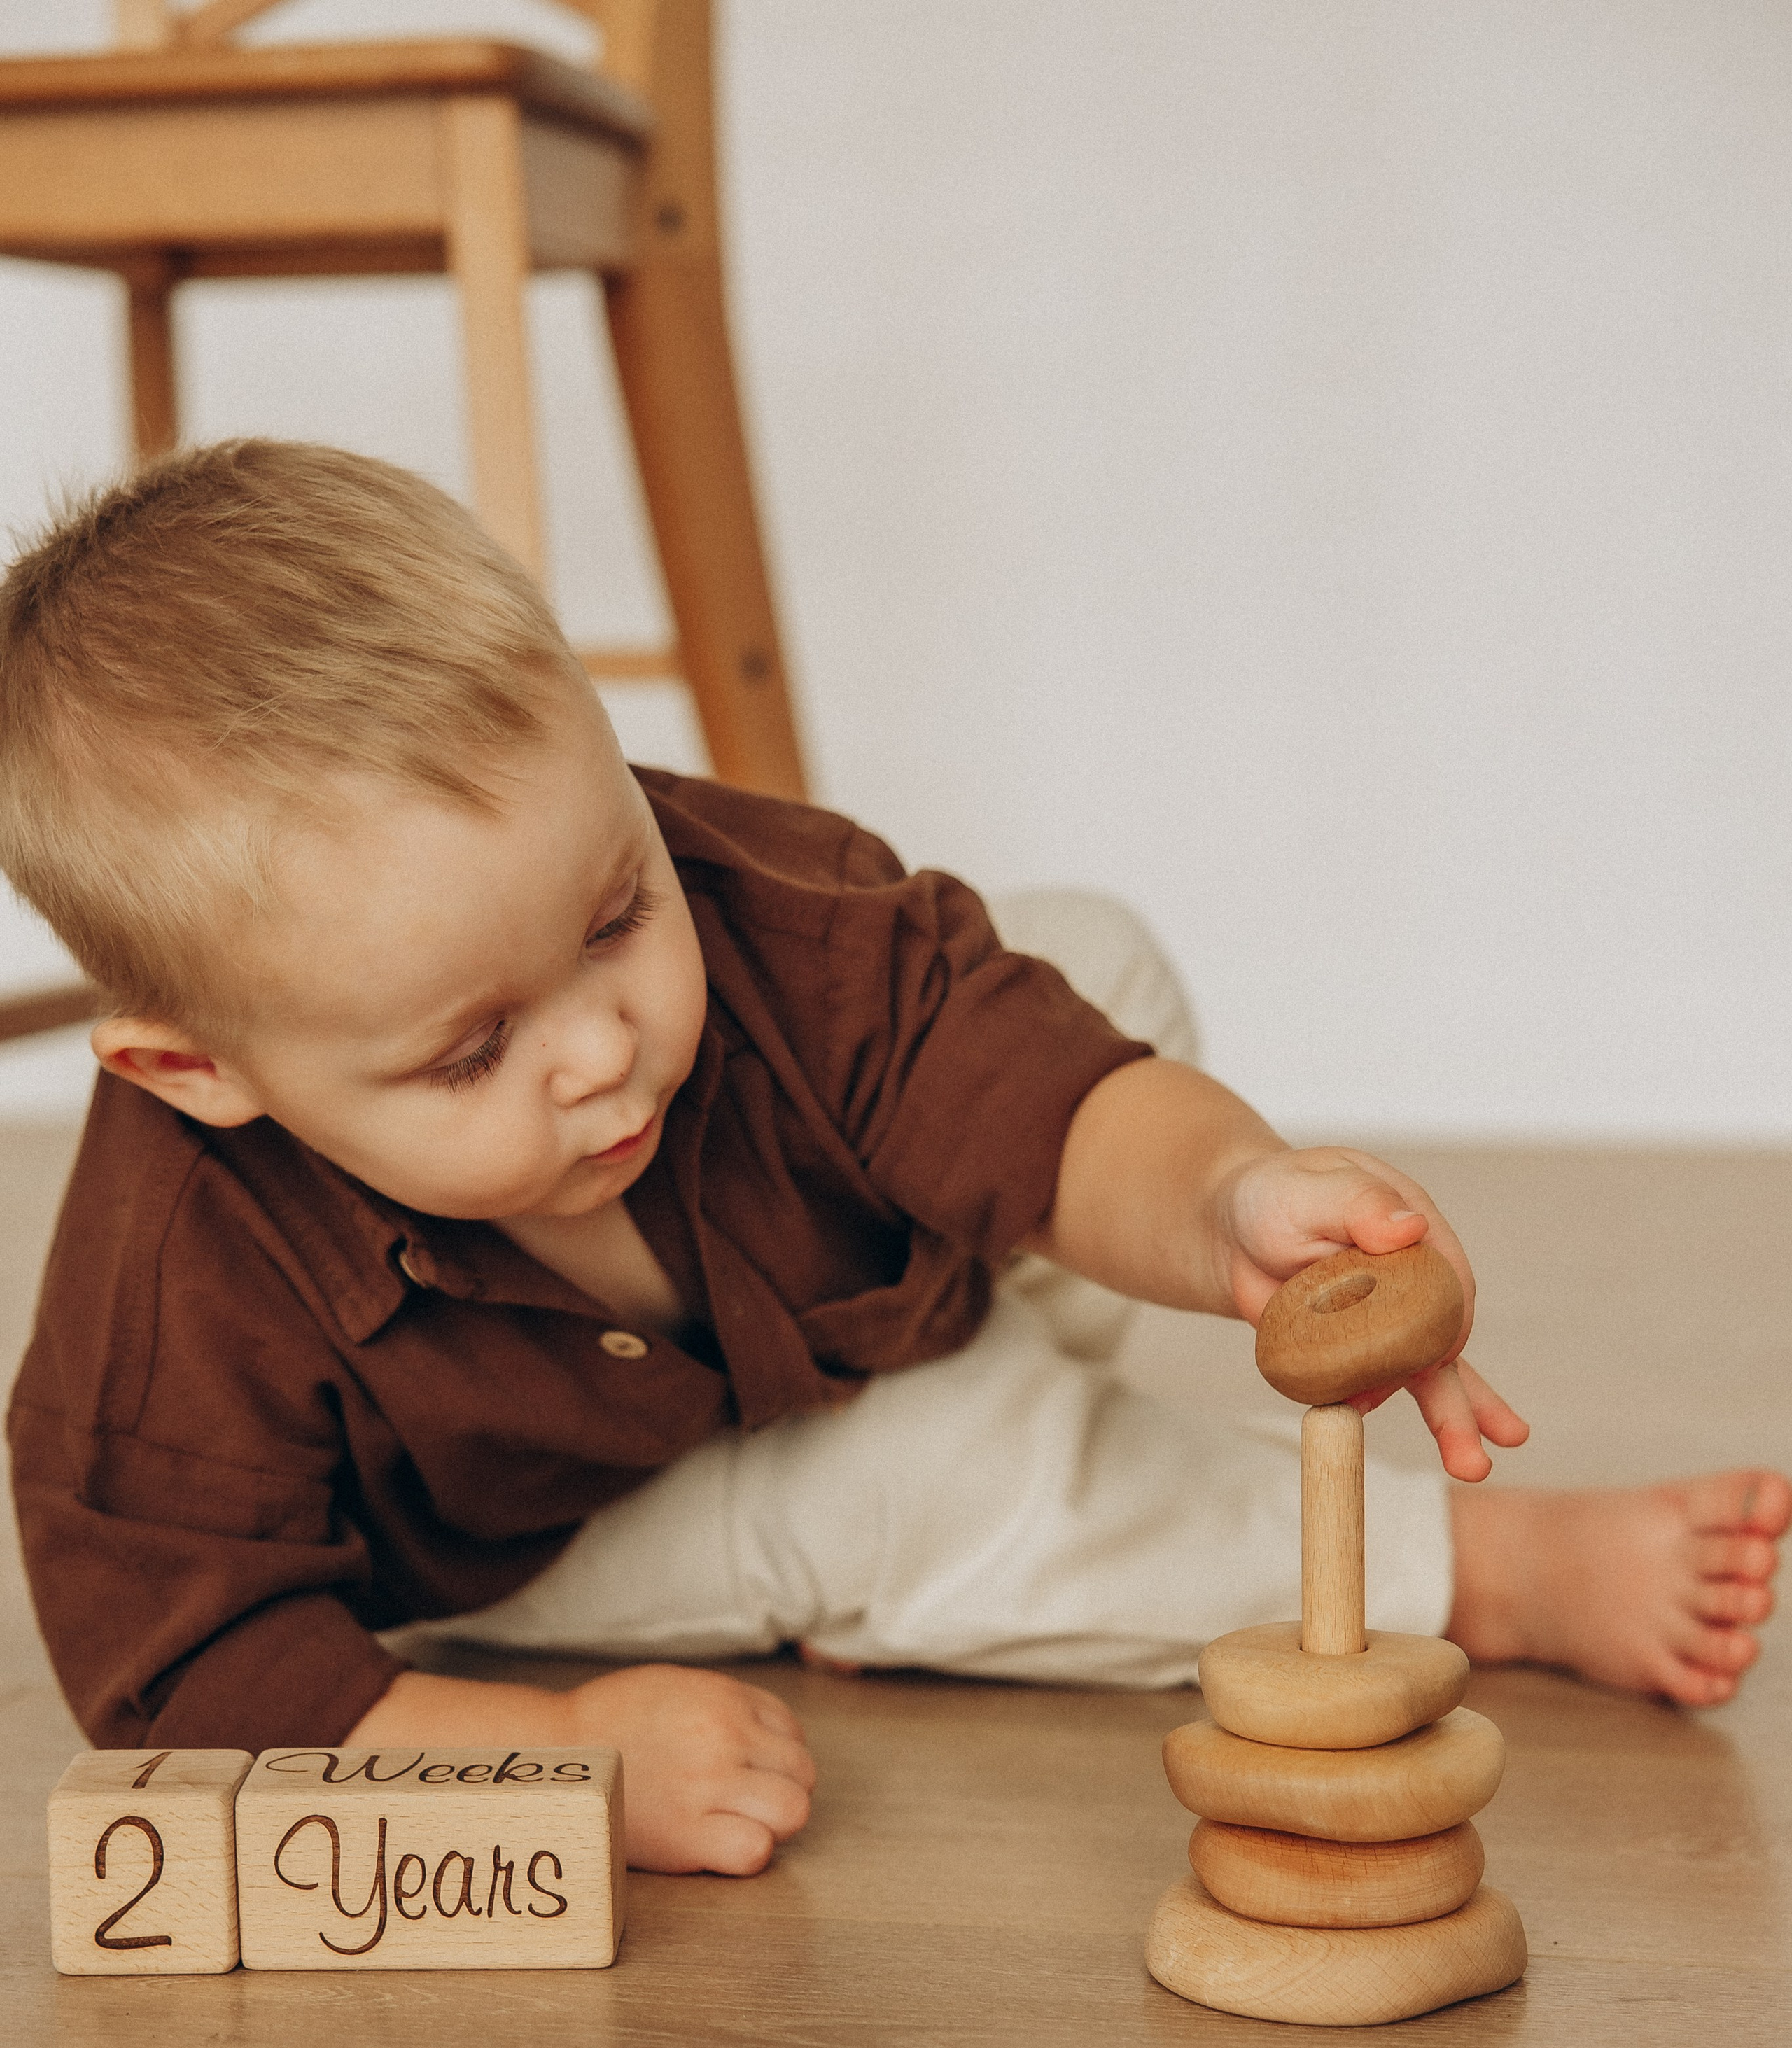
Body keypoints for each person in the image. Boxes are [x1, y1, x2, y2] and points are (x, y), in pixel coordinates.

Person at [1, 442, 1783, 1877]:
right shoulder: (168, 1302)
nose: (598, 1047)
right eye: (471, 1050)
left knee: (1089, 969)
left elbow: (977, 1043)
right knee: (927, 1480)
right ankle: (1480, 1573)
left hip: (819, 1314)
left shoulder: (733, 896)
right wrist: (556, 1765)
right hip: (532, 1552)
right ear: (200, 1070)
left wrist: (1227, 1196)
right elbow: (181, 1671)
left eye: (616, 911)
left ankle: (997, 1484)